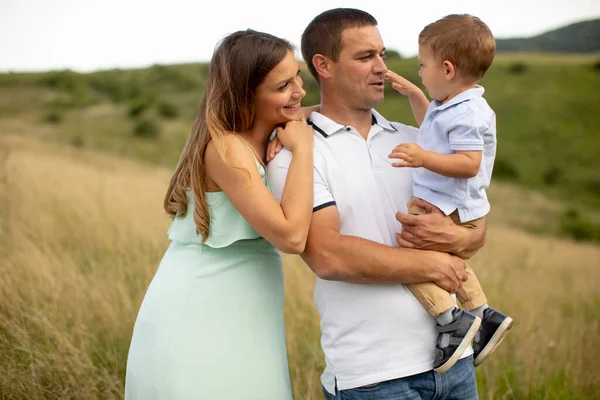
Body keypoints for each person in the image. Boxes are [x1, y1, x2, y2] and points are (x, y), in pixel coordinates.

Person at [267, 8, 485, 399]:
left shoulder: (416, 140)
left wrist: (460, 237)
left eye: (382, 55)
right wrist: (437, 261)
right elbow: (329, 256)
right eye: (366, 57)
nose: (382, 68)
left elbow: (475, 222)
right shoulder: (295, 153)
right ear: (324, 66)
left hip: (456, 363)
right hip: (373, 375)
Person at [124, 29, 314, 399]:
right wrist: (302, 149)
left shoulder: (278, 125)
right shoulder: (227, 149)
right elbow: (292, 237)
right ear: (246, 93)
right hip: (201, 306)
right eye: (283, 86)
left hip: (246, 310)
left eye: (298, 77)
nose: (299, 92)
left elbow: (331, 114)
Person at [384, 14, 513, 374]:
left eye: (423, 66)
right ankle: (482, 313)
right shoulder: (450, 104)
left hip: (453, 205)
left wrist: (422, 158)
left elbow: (469, 163)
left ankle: (450, 319)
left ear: (447, 69)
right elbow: (433, 128)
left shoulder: (470, 112)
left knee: (410, 261)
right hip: (447, 203)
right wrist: (413, 93)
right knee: (441, 258)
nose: (421, 73)